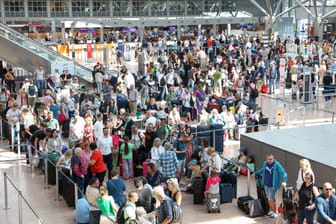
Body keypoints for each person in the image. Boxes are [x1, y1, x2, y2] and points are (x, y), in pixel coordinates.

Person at [255, 154, 288, 219]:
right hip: (265, 184)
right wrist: (255, 173)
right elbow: (262, 170)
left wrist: (284, 181)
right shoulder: (265, 163)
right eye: (268, 159)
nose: (269, 160)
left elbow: (284, 173)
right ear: (266, 159)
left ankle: (275, 213)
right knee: (270, 199)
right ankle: (273, 211)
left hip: (272, 186)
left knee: (270, 199)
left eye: (271, 159)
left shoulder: (277, 164)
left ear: (273, 159)